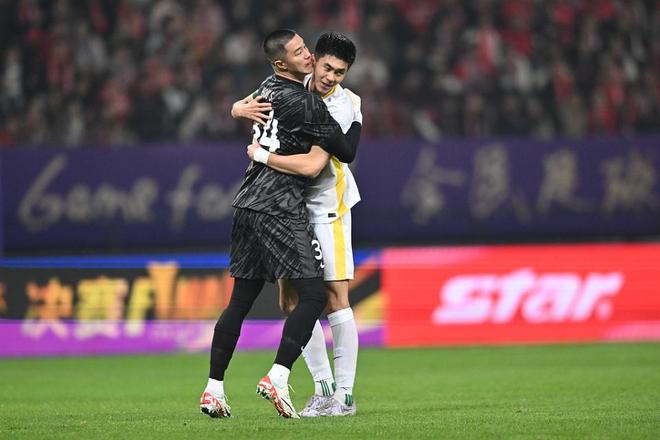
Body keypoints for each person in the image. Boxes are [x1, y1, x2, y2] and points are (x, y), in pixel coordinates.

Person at [199, 29, 361, 419]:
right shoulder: (300, 93)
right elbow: (250, 107)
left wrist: (260, 153)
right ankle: (315, 386)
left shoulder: (340, 103)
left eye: (340, 72)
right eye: (324, 66)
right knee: (295, 300)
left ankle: (343, 396)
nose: (330, 76)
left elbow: (326, 160)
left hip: (324, 206)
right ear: (310, 61)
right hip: (287, 207)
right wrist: (237, 109)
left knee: (332, 297)